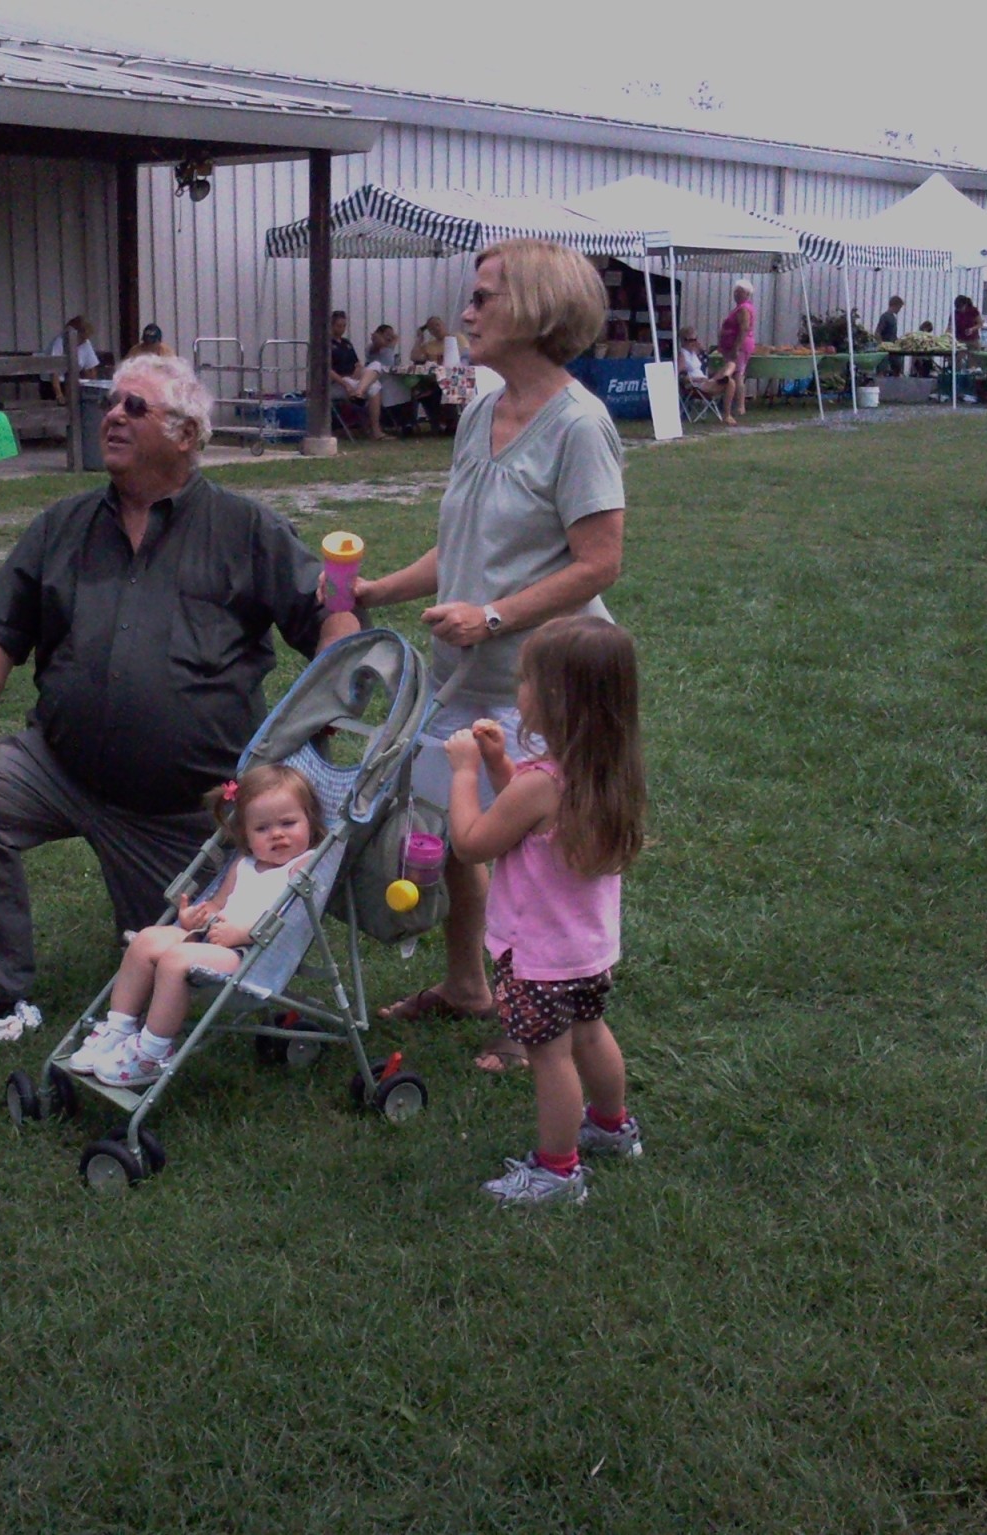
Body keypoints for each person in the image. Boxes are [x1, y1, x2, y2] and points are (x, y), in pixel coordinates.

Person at [0, 354, 360, 1043]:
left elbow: (328, 609)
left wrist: (331, 681)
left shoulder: (247, 528)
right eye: (110, 403)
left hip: (186, 804)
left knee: (205, 966)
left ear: (183, 433)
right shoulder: (61, 525)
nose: (112, 415)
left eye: (134, 406)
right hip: (59, 768)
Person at [353, 238, 625, 1074]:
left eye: (483, 298)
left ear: (539, 310)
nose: (465, 313)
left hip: (541, 686)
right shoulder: (479, 407)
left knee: (525, 854)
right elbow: (460, 546)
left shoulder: (580, 424)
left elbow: (599, 561)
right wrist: (379, 592)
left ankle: (527, 1012)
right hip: (461, 675)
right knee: (459, 833)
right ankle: (471, 983)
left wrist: (496, 616)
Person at [444, 616, 646, 1207]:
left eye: (526, 680)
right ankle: (613, 1127)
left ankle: (557, 1172)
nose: (518, 690)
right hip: (586, 949)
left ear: (557, 700)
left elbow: (473, 843)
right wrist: (500, 765)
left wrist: (462, 775)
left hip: (538, 956)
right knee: (589, 1033)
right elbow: (534, 821)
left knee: (549, 1056)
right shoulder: (605, 770)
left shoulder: (541, 784)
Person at [64, 763, 322, 1088]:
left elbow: (291, 919)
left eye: (289, 823)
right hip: (211, 939)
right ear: (245, 835)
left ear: (309, 822)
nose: (278, 834)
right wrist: (195, 917)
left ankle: (153, 1052)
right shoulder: (244, 865)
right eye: (263, 829)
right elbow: (218, 904)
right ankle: (119, 1027)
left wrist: (243, 931)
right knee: (146, 940)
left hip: (251, 954)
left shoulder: (305, 865)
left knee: (174, 961)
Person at [711, 280, 758, 423]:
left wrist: (735, 348)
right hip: (733, 345)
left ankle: (738, 406)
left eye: (740, 291)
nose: (736, 294)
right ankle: (737, 405)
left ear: (747, 294)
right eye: (735, 291)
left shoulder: (744, 309)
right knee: (736, 374)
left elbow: (743, 329)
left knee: (735, 375)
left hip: (738, 346)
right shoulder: (740, 308)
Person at [677, 325, 722, 414]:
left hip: (704, 381)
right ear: (683, 341)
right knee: (727, 383)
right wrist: (697, 379)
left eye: (695, 339)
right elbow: (679, 376)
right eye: (690, 340)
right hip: (695, 385)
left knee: (730, 377)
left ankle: (728, 414)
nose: (693, 343)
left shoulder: (694, 354)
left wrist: (701, 350)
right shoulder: (682, 355)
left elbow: (707, 362)